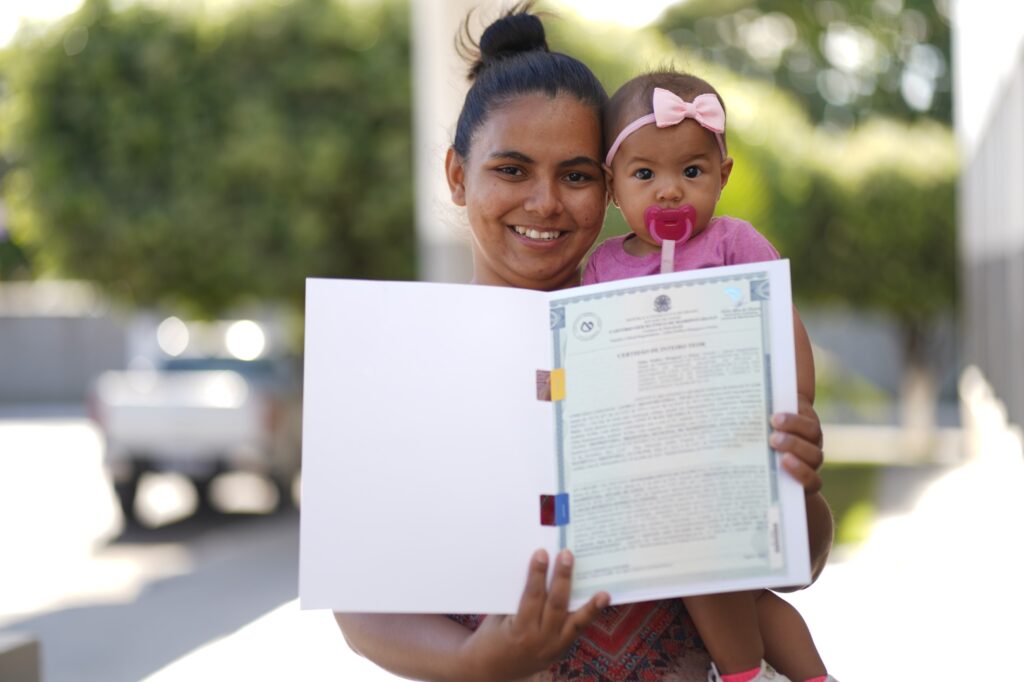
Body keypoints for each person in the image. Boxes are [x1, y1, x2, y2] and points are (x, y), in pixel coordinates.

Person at [335, 5, 834, 681]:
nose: (544, 203)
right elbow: (363, 601)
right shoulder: (404, 358)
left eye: (575, 176)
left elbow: (795, 570)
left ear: (610, 187)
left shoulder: (675, 326)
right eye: (511, 170)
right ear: (457, 175)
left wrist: (796, 482)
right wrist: (474, 659)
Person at [584, 71, 835, 682]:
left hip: (732, 443)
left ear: (723, 176)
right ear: (613, 187)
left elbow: (783, 322)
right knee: (720, 581)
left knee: (720, 574)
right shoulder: (600, 268)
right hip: (649, 460)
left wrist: (796, 403)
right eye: (645, 175)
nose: (670, 192)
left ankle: (769, 674)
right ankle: (750, 672)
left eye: (692, 173)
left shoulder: (733, 243)